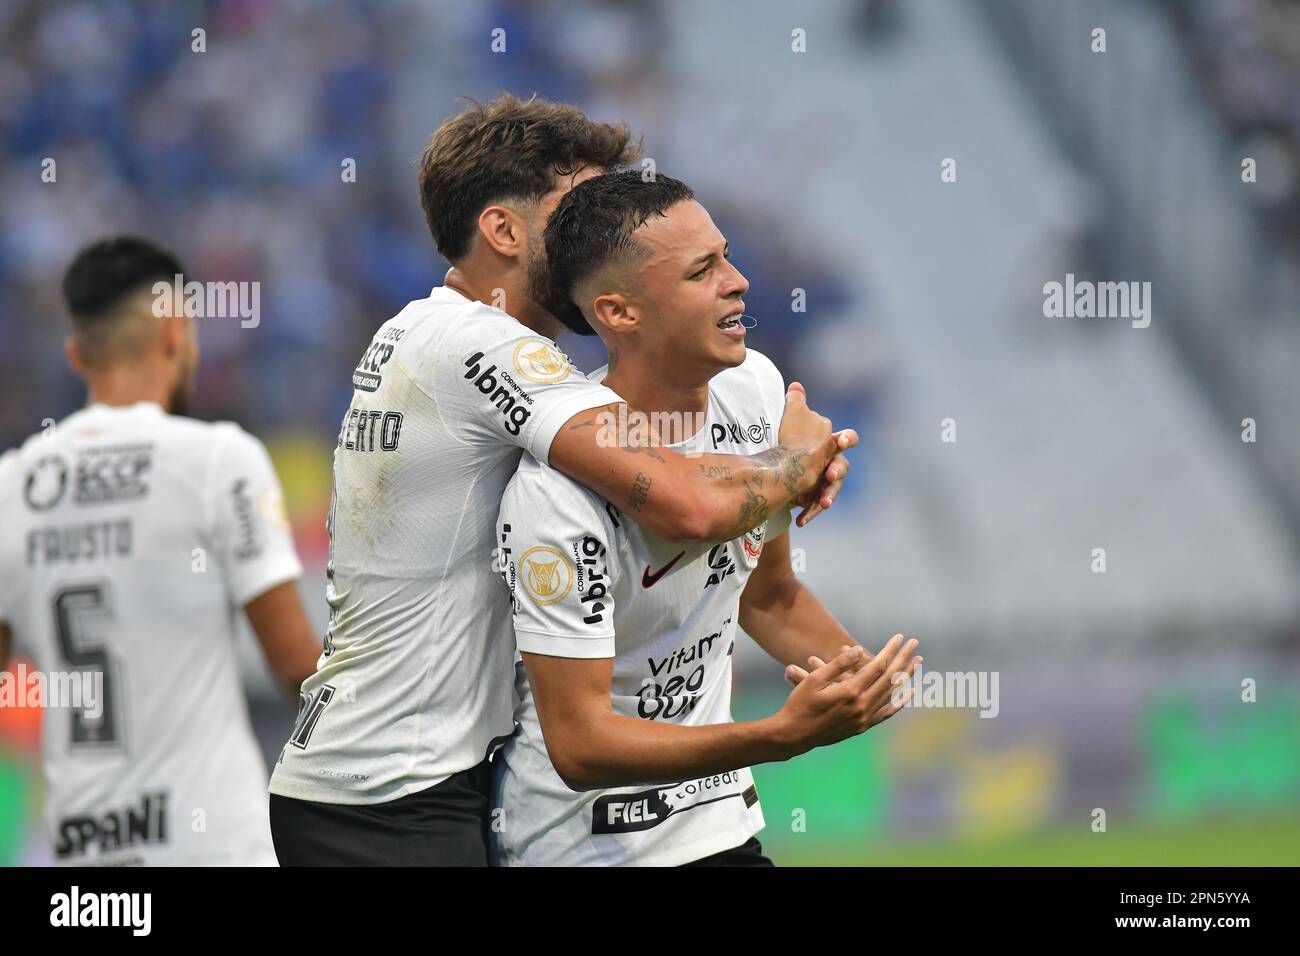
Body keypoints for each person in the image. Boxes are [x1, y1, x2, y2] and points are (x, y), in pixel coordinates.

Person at [268, 94, 856, 866]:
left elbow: (685, 477)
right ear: (504, 231)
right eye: (578, 207)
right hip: (393, 794)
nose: (600, 229)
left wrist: (770, 471)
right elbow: (680, 498)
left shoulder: (425, 330)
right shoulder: (485, 348)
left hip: (391, 778)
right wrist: (792, 463)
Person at [491, 171, 919, 866]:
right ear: (619, 313)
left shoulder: (754, 388)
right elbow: (580, 745)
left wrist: (854, 679)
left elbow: (768, 593)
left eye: (725, 255)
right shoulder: (556, 495)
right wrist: (778, 735)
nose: (738, 280)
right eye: (703, 270)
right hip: (583, 849)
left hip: (715, 830)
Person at [0, 237, 321, 865]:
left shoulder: (12, 487)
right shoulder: (218, 461)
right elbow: (295, 670)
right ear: (177, 332)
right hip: (213, 845)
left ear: (76, 355)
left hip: (83, 862)